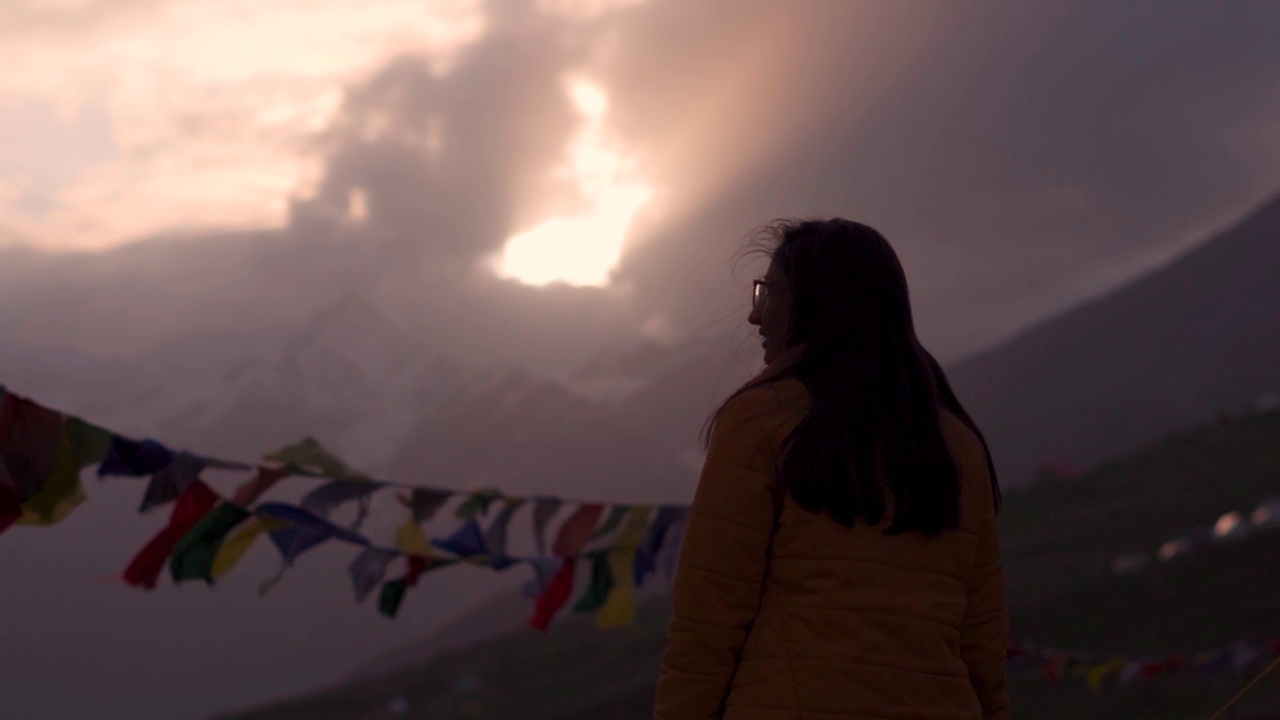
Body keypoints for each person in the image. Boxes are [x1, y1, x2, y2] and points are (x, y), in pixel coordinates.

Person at [654, 219, 1009, 720]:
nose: (755, 316)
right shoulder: (958, 444)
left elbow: (710, 616)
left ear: (816, 304)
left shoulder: (763, 421)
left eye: (769, 293)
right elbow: (983, 643)